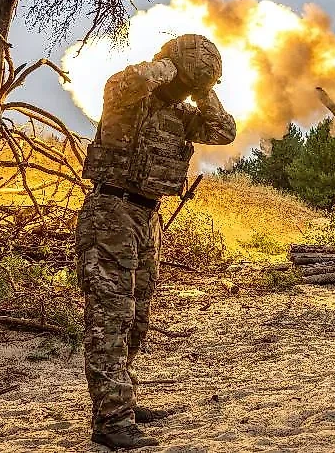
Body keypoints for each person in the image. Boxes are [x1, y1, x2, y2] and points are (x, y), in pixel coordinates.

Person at [76, 34, 236, 449]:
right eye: (184, 79)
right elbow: (128, 83)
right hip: (111, 211)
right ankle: (112, 419)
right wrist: (166, 64)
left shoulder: (180, 115)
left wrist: (203, 90)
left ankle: (121, 400)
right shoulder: (126, 96)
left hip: (147, 217)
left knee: (137, 317)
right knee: (111, 316)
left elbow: (223, 131)